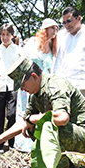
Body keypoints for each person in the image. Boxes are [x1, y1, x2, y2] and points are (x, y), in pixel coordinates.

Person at [0, 56, 85, 168]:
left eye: (23, 84)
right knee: (32, 127)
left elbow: (62, 118)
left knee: (45, 126)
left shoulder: (55, 85)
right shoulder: (36, 95)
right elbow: (25, 121)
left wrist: (33, 118)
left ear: (34, 76)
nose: (22, 89)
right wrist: (0, 138)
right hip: (71, 133)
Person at [15, 18, 59, 152]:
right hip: (29, 83)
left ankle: (40, 144)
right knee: (26, 112)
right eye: (52, 28)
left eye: (56, 29)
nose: (55, 31)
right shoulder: (32, 43)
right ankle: (24, 144)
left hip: (43, 86)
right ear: (45, 29)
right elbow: (22, 61)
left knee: (42, 113)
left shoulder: (53, 47)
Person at [53, 7, 85, 104]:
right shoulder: (61, 36)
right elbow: (58, 61)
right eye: (63, 23)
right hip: (64, 86)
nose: (66, 25)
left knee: (83, 117)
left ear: (79, 18)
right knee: (64, 117)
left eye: (69, 21)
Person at [0, 24, 22, 153]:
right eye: (3, 34)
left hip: (13, 86)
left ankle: (11, 143)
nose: (5, 37)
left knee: (12, 115)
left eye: (7, 35)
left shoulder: (18, 50)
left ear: (12, 36)